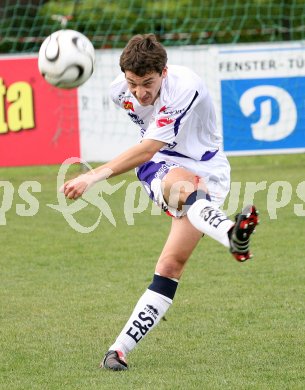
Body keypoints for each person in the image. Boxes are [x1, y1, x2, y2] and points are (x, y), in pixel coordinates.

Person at [61, 34, 259, 371]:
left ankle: (118, 349)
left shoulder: (185, 86)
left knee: (170, 266)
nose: (140, 92)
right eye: (133, 83)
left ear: (163, 72)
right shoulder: (119, 92)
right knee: (181, 185)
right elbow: (151, 151)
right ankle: (230, 233)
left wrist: (92, 176)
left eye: (148, 83)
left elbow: (148, 144)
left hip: (208, 168)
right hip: (161, 165)